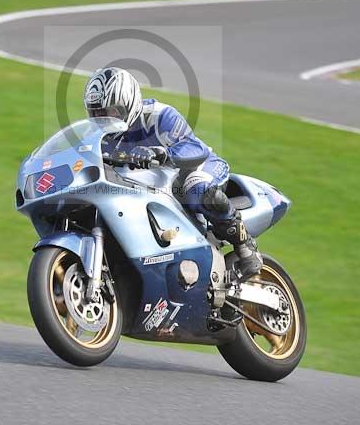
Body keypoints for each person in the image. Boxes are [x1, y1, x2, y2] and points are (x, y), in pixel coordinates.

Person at [83, 66, 262, 281]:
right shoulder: (99, 138)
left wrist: (164, 153)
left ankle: (245, 248)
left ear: (128, 103)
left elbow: (195, 148)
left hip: (199, 168)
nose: (104, 120)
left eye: (110, 112)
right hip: (153, 189)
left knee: (196, 187)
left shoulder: (158, 116)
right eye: (96, 114)